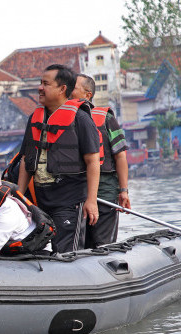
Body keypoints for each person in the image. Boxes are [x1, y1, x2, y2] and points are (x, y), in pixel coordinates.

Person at [17, 64, 100, 253]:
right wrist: (20, 198)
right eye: (40, 83)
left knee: (66, 253)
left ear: (62, 89)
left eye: (46, 84)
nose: (40, 88)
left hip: (70, 200)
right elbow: (26, 160)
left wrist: (92, 200)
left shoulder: (81, 119)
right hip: (41, 200)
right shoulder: (34, 119)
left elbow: (92, 161)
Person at [71, 74, 131, 247]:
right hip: (76, 191)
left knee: (102, 242)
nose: (68, 90)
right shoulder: (63, 118)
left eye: (73, 87)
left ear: (87, 94)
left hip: (104, 190)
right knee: (79, 243)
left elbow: (120, 155)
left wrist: (123, 190)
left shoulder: (106, 118)